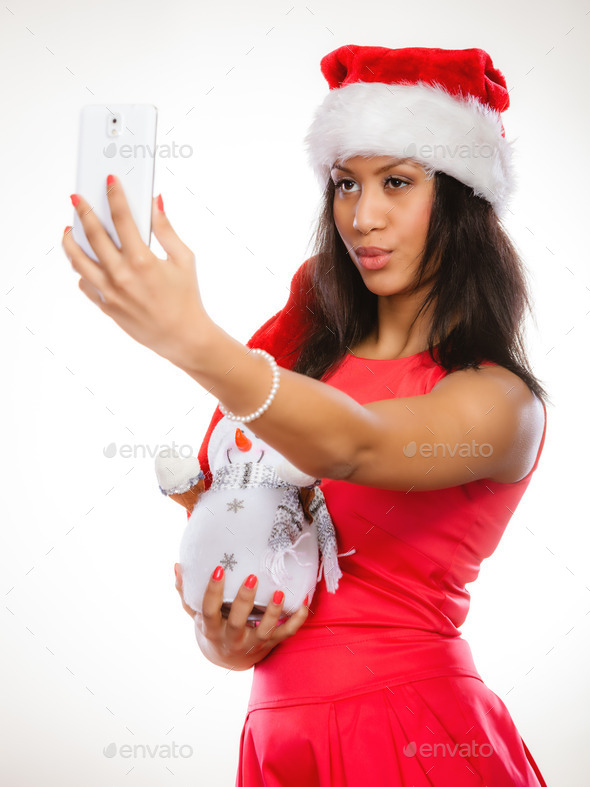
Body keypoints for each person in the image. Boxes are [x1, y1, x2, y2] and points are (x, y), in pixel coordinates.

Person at [63, 43, 550, 787]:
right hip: (279, 740)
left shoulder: (498, 401)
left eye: (396, 181)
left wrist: (194, 341)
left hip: (410, 734)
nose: (364, 214)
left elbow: (357, 443)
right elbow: (257, 542)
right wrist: (224, 639)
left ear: (460, 197)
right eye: (345, 183)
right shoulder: (306, 366)